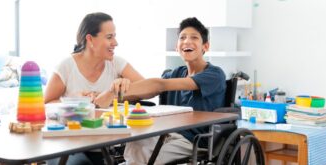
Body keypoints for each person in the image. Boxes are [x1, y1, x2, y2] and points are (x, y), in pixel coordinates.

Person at [117, 17, 227, 164]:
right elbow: (151, 90)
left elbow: (159, 85)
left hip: (193, 141)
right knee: (134, 144)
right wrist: (118, 94)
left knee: (151, 159)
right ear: (177, 47)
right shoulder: (173, 73)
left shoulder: (215, 74)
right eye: (182, 38)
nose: (187, 41)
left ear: (205, 46)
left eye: (194, 37)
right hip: (165, 134)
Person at [44, 12, 144, 165]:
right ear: (90, 39)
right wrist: (75, 103)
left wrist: (114, 93)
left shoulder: (117, 63)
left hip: (104, 146)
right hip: (67, 145)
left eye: (114, 36)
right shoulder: (66, 66)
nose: (115, 42)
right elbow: (46, 104)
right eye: (109, 37)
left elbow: (145, 88)